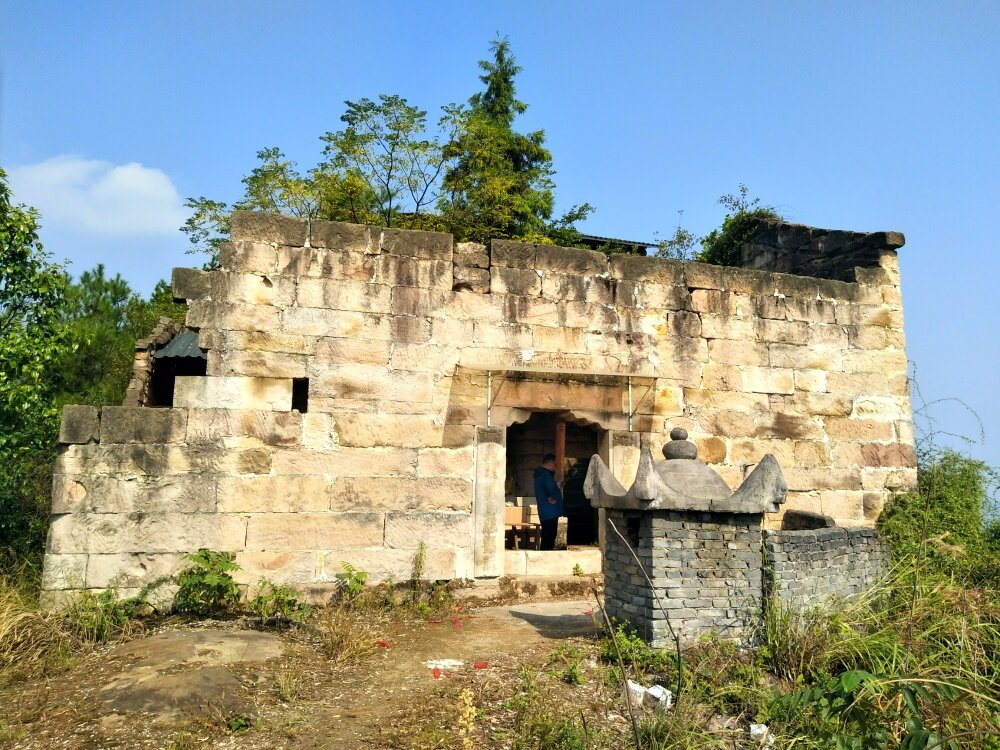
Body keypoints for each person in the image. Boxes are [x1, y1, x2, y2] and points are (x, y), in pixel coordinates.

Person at [533, 453, 564, 551]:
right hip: (550, 512)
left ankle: (544, 555)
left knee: (546, 537)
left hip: (544, 511)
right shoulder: (545, 475)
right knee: (549, 538)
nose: (555, 467)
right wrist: (554, 496)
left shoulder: (540, 475)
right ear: (550, 463)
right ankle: (545, 557)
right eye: (555, 465)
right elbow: (551, 489)